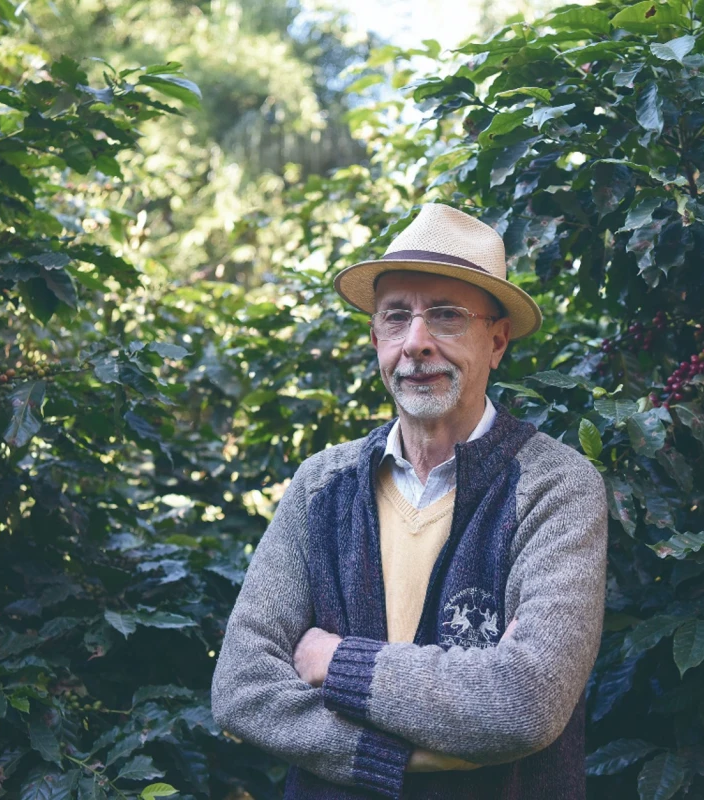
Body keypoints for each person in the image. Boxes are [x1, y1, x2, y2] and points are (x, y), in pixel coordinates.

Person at [211, 203, 608, 799]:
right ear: (376, 339)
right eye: (396, 318)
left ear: (496, 340)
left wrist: (336, 660)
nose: (416, 343)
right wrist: (400, 756)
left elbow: (525, 701)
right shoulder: (321, 485)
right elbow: (241, 685)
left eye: (446, 317)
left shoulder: (555, 487)